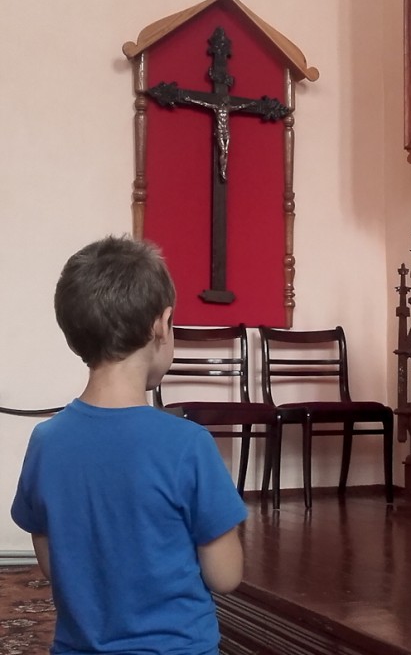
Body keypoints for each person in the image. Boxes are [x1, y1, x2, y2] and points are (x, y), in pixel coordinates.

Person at [11, 235, 247, 655]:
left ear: (73, 334)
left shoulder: (45, 441)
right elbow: (225, 576)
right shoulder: (188, 444)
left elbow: (50, 561)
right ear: (162, 324)